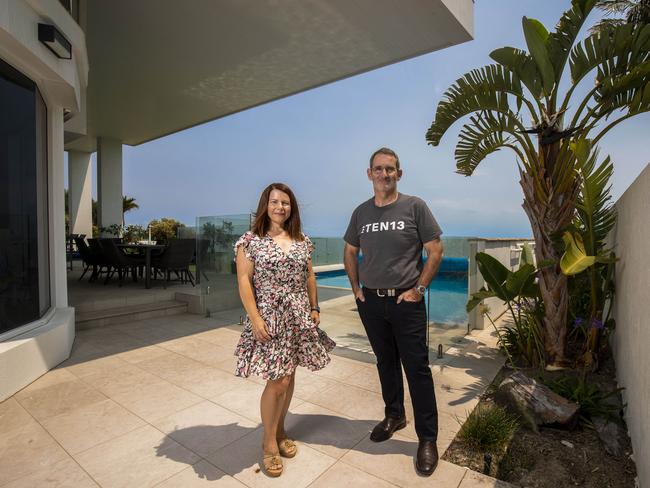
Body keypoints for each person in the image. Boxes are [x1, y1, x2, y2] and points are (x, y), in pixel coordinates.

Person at [343, 147, 444, 476]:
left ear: (399, 174)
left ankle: (427, 438)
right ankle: (394, 415)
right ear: (368, 174)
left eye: (390, 169)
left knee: (417, 369)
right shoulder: (360, 213)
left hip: (406, 302)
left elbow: (435, 249)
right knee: (385, 362)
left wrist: (420, 289)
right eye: (378, 169)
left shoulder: (415, 207)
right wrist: (357, 289)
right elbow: (350, 251)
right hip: (371, 302)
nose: (384, 174)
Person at [234, 182, 335, 477]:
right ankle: (268, 444)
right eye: (275, 202)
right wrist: (254, 318)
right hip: (270, 315)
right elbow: (243, 281)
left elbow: (310, 275)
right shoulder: (250, 241)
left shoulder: (301, 239)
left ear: (292, 208)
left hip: (298, 315)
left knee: (289, 376)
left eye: (286, 203)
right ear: (265, 205)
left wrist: (314, 307)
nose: (281, 207)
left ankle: (279, 429)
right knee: (277, 380)